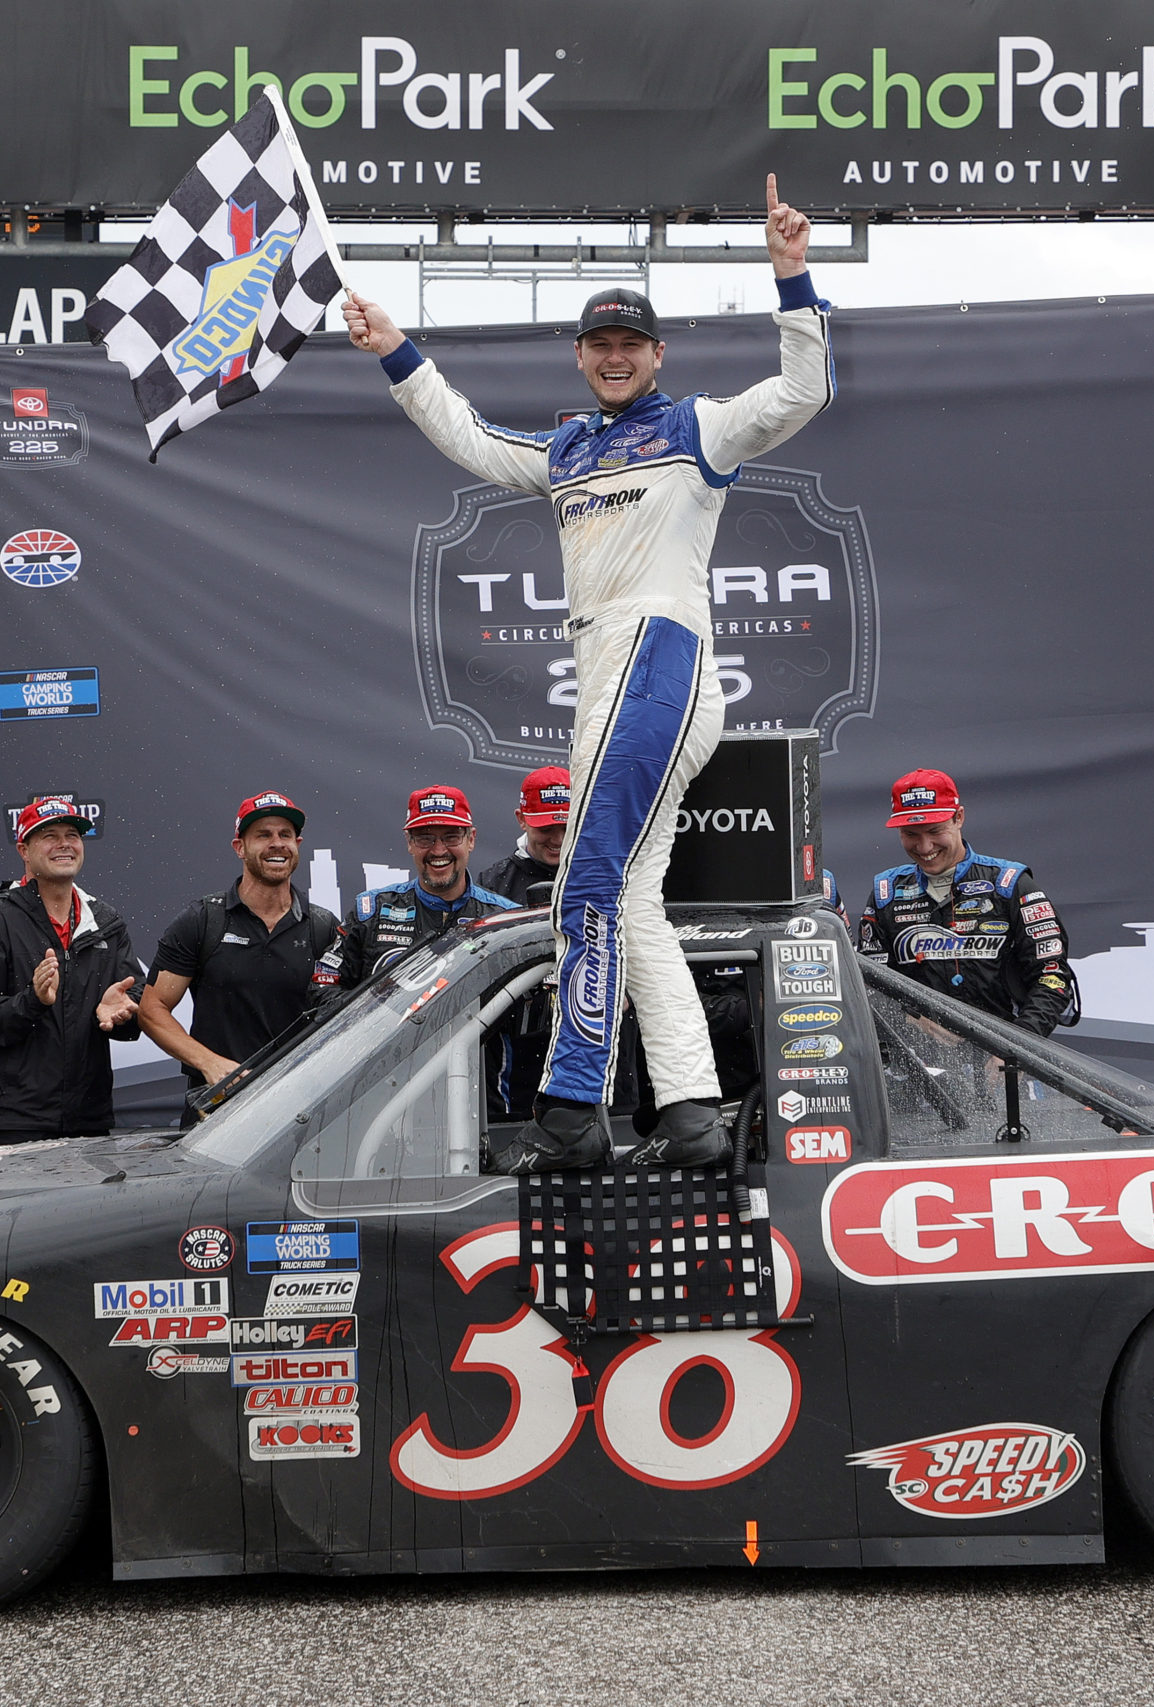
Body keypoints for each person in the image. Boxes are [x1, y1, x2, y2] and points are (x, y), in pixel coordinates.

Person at [342, 172, 832, 1174]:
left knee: (588, 889)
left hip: (659, 654)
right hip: (607, 670)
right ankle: (692, 1109)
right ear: (580, 357)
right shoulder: (566, 449)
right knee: (626, 899)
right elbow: (474, 440)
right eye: (599, 345)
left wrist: (792, 280)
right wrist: (395, 349)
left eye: (631, 344)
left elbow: (800, 393)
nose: (615, 357)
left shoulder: (696, 426)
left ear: (657, 355)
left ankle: (572, 1110)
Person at [0, 796, 144, 1145]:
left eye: (72, 834)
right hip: (15, 1121)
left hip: (89, 1116)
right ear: (24, 850)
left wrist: (124, 1010)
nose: (64, 844)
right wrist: (32, 1001)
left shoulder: (106, 922)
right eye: (49, 836)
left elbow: (137, 993)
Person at [139, 792, 342, 1115]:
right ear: (240, 847)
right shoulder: (203, 919)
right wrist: (210, 1064)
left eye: (285, 835)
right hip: (216, 1109)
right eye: (263, 835)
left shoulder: (323, 927)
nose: (277, 843)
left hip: (297, 1110)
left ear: (298, 845)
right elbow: (152, 1009)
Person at [857, 770, 1077, 1037]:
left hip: (1007, 1061)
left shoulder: (1009, 884)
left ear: (959, 817)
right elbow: (869, 986)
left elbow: (1052, 975)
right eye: (911, 834)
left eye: (935, 831)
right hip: (917, 1063)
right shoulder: (886, 893)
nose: (925, 847)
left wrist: (1019, 1046)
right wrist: (912, 1020)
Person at [314, 786, 516, 999]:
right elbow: (322, 987)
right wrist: (376, 1017)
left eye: (451, 837)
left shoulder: (505, 918)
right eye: (425, 838)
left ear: (471, 839)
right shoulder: (372, 911)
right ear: (409, 842)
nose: (438, 850)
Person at [478, 765, 571, 906]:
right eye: (546, 829)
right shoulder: (494, 883)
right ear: (522, 819)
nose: (558, 840)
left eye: (567, 829)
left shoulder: (601, 875)